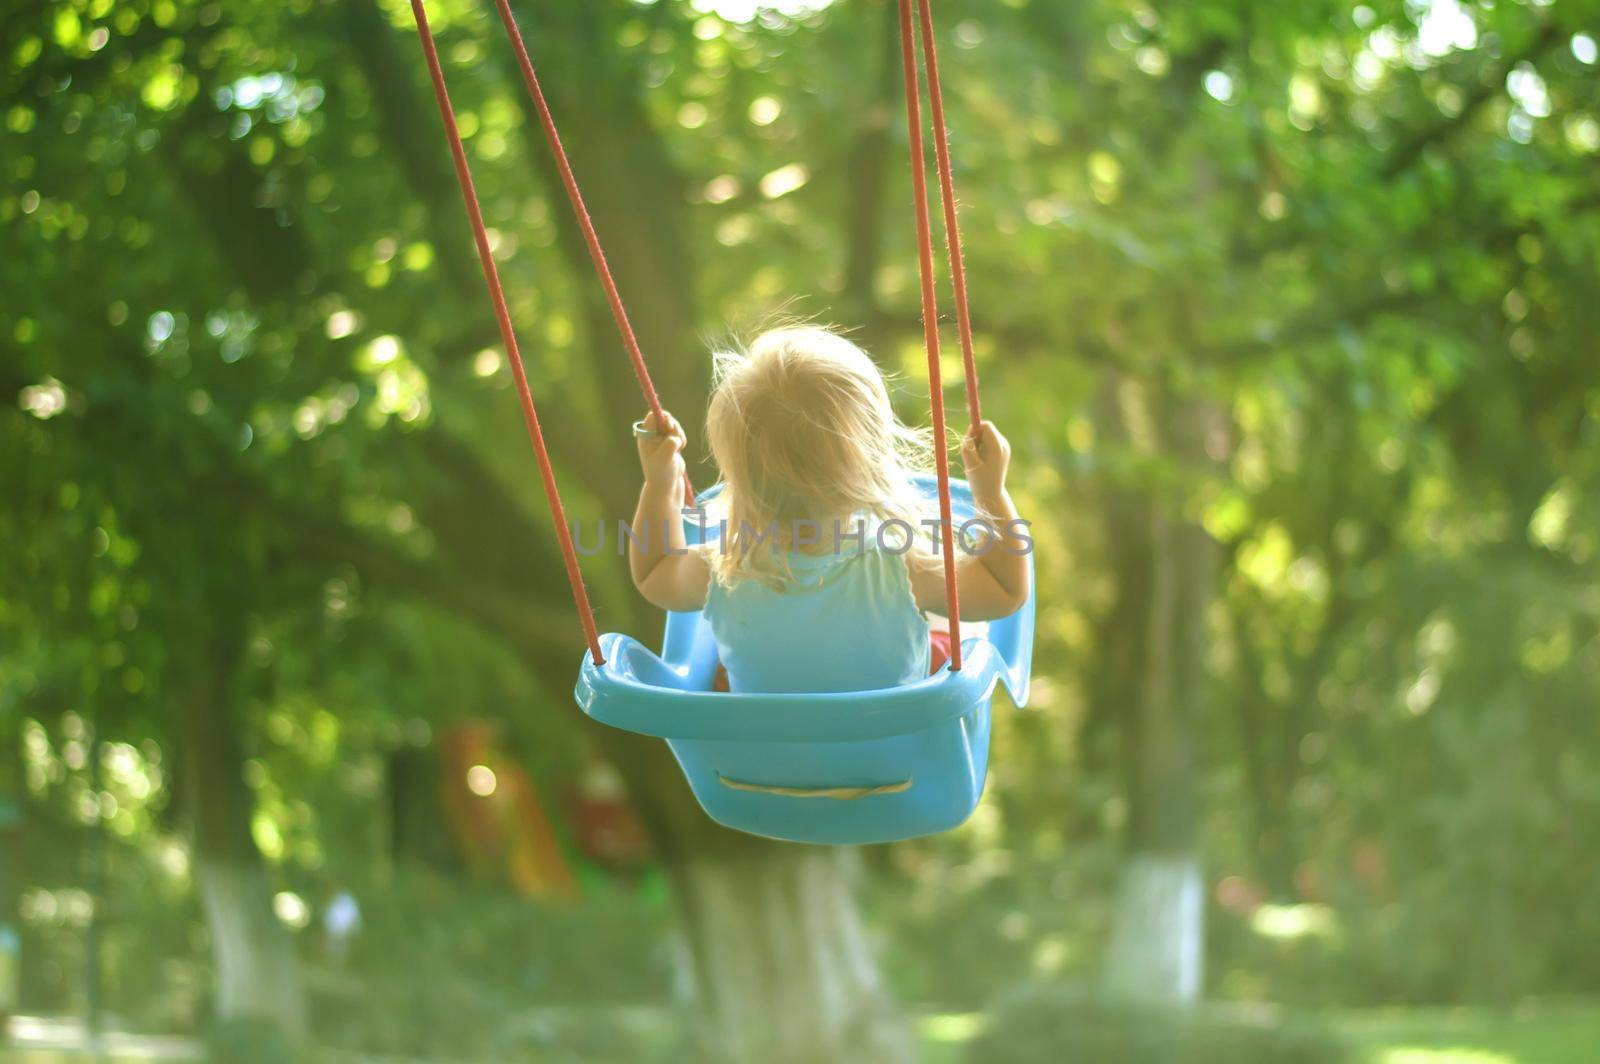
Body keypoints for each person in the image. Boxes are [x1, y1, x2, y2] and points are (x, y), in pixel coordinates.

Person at [628, 325, 1029, 694]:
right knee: (951, 632)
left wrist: (660, 483)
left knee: (724, 657)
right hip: (894, 762)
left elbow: (653, 570)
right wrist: (989, 491)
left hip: (761, 767)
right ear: (871, 458)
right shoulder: (901, 569)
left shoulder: (718, 571)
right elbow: (1004, 590)